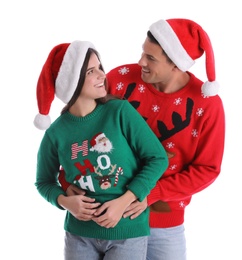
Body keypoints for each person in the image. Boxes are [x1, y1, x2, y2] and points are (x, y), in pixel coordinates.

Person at [60, 18, 225, 260]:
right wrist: (67, 182)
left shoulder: (207, 105)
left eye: (151, 58)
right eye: (143, 53)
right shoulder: (120, 79)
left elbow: (207, 169)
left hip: (162, 225)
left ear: (176, 64)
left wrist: (152, 192)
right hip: (103, 218)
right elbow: (79, 126)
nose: (141, 62)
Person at [34, 40, 168, 260]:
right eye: (90, 71)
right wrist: (65, 202)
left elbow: (157, 158)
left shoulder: (119, 112)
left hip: (128, 232)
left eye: (100, 68)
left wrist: (125, 200)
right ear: (71, 81)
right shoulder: (55, 133)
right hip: (79, 236)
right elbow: (43, 182)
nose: (102, 75)